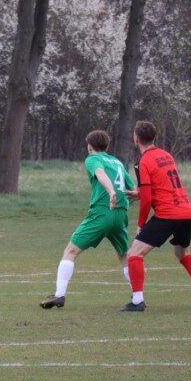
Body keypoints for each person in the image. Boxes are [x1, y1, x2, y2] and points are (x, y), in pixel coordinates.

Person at [120, 121, 191, 312]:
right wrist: (140, 193)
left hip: (168, 213)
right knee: (182, 253)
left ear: (136, 139)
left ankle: (137, 301)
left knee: (134, 254)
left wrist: (140, 224)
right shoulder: (166, 155)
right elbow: (162, 185)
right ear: (154, 137)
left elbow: (148, 199)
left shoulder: (143, 162)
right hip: (186, 211)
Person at [40, 130, 134, 309]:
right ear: (107, 146)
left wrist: (111, 192)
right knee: (124, 255)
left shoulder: (92, 159)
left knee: (70, 251)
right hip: (121, 213)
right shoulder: (117, 162)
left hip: (102, 212)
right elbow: (133, 189)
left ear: (90, 147)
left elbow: (100, 173)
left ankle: (59, 295)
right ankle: (137, 296)